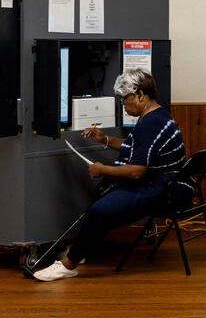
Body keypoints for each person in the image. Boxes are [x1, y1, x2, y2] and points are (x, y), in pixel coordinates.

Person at [32, 69, 186, 281]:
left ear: (140, 95)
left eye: (125, 98)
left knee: (100, 209)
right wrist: (105, 139)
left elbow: (136, 171)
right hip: (169, 182)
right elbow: (138, 149)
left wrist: (101, 168)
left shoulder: (150, 123)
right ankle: (81, 251)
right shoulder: (159, 114)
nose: (123, 104)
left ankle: (68, 265)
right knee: (105, 199)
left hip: (161, 189)